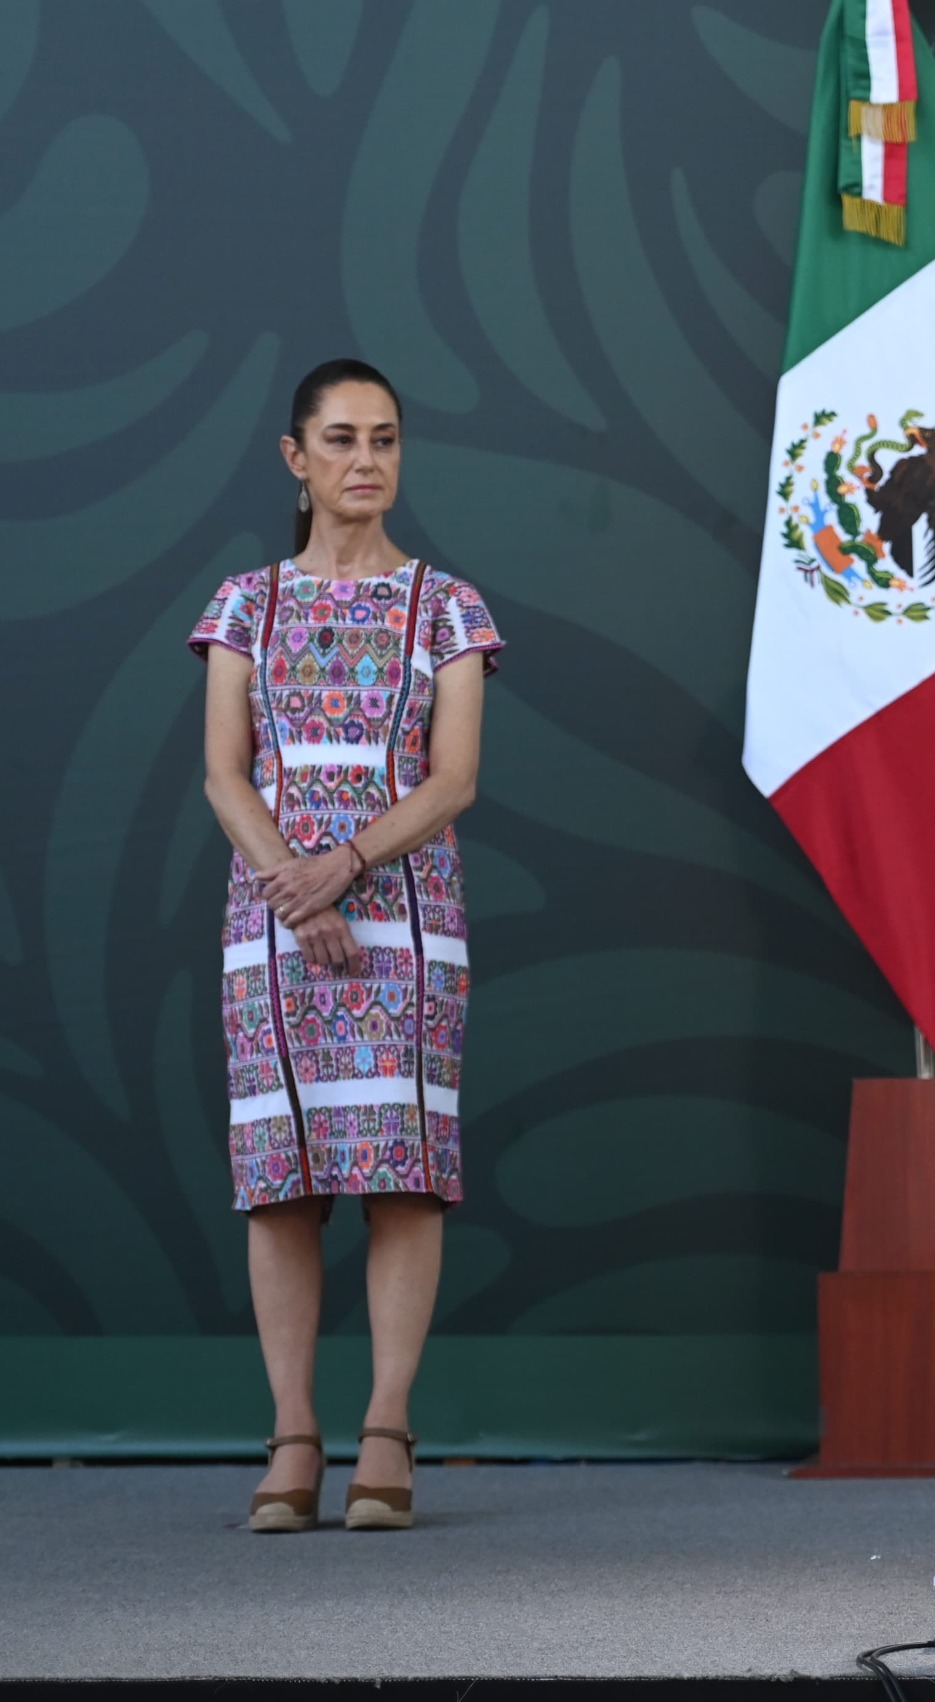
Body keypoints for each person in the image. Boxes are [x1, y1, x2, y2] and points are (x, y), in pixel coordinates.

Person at [190, 359, 502, 1532]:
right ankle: (290, 1435)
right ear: (295, 457)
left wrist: (350, 865)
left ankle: (384, 1425)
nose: (363, 460)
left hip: (408, 919)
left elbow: (455, 778)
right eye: (339, 439)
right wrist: (296, 887)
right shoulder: (243, 605)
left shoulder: (448, 607)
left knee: (403, 1176)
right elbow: (225, 770)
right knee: (282, 1183)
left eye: (383, 439)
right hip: (271, 928)